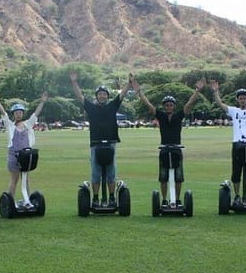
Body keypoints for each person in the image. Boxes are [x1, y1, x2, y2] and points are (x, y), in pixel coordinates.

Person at [134, 78, 205, 206]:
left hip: (177, 149)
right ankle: (165, 200)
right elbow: (148, 105)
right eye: (166, 105)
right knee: (163, 178)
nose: (168, 107)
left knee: (178, 177)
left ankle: (177, 199)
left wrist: (197, 91)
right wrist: (139, 92)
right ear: (164, 106)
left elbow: (189, 103)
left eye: (171, 105)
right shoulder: (160, 116)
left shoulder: (179, 115)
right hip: (164, 149)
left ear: (174, 106)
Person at [69, 72, 133, 207]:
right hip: (95, 144)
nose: (102, 96)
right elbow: (80, 97)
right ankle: (96, 198)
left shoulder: (112, 106)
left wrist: (129, 83)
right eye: (100, 94)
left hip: (111, 143)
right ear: (97, 96)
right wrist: (74, 82)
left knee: (111, 172)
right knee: (96, 172)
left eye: (104, 94)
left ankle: (111, 198)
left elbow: (122, 94)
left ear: (107, 96)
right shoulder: (91, 107)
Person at [210, 78, 246, 206]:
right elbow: (220, 104)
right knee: (236, 172)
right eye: (240, 98)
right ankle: (237, 196)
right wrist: (216, 92)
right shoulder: (233, 110)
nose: (242, 100)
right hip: (237, 144)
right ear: (237, 99)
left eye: (244, 98)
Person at [0, 89, 48, 203]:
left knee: (25, 180)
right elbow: (3, 114)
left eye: (20, 112)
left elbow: (36, 113)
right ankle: (10, 202)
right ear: (14, 114)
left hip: (26, 156)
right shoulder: (10, 125)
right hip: (14, 156)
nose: (18, 114)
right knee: (14, 180)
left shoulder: (28, 124)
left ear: (22, 113)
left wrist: (42, 102)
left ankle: (28, 201)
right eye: (16, 112)